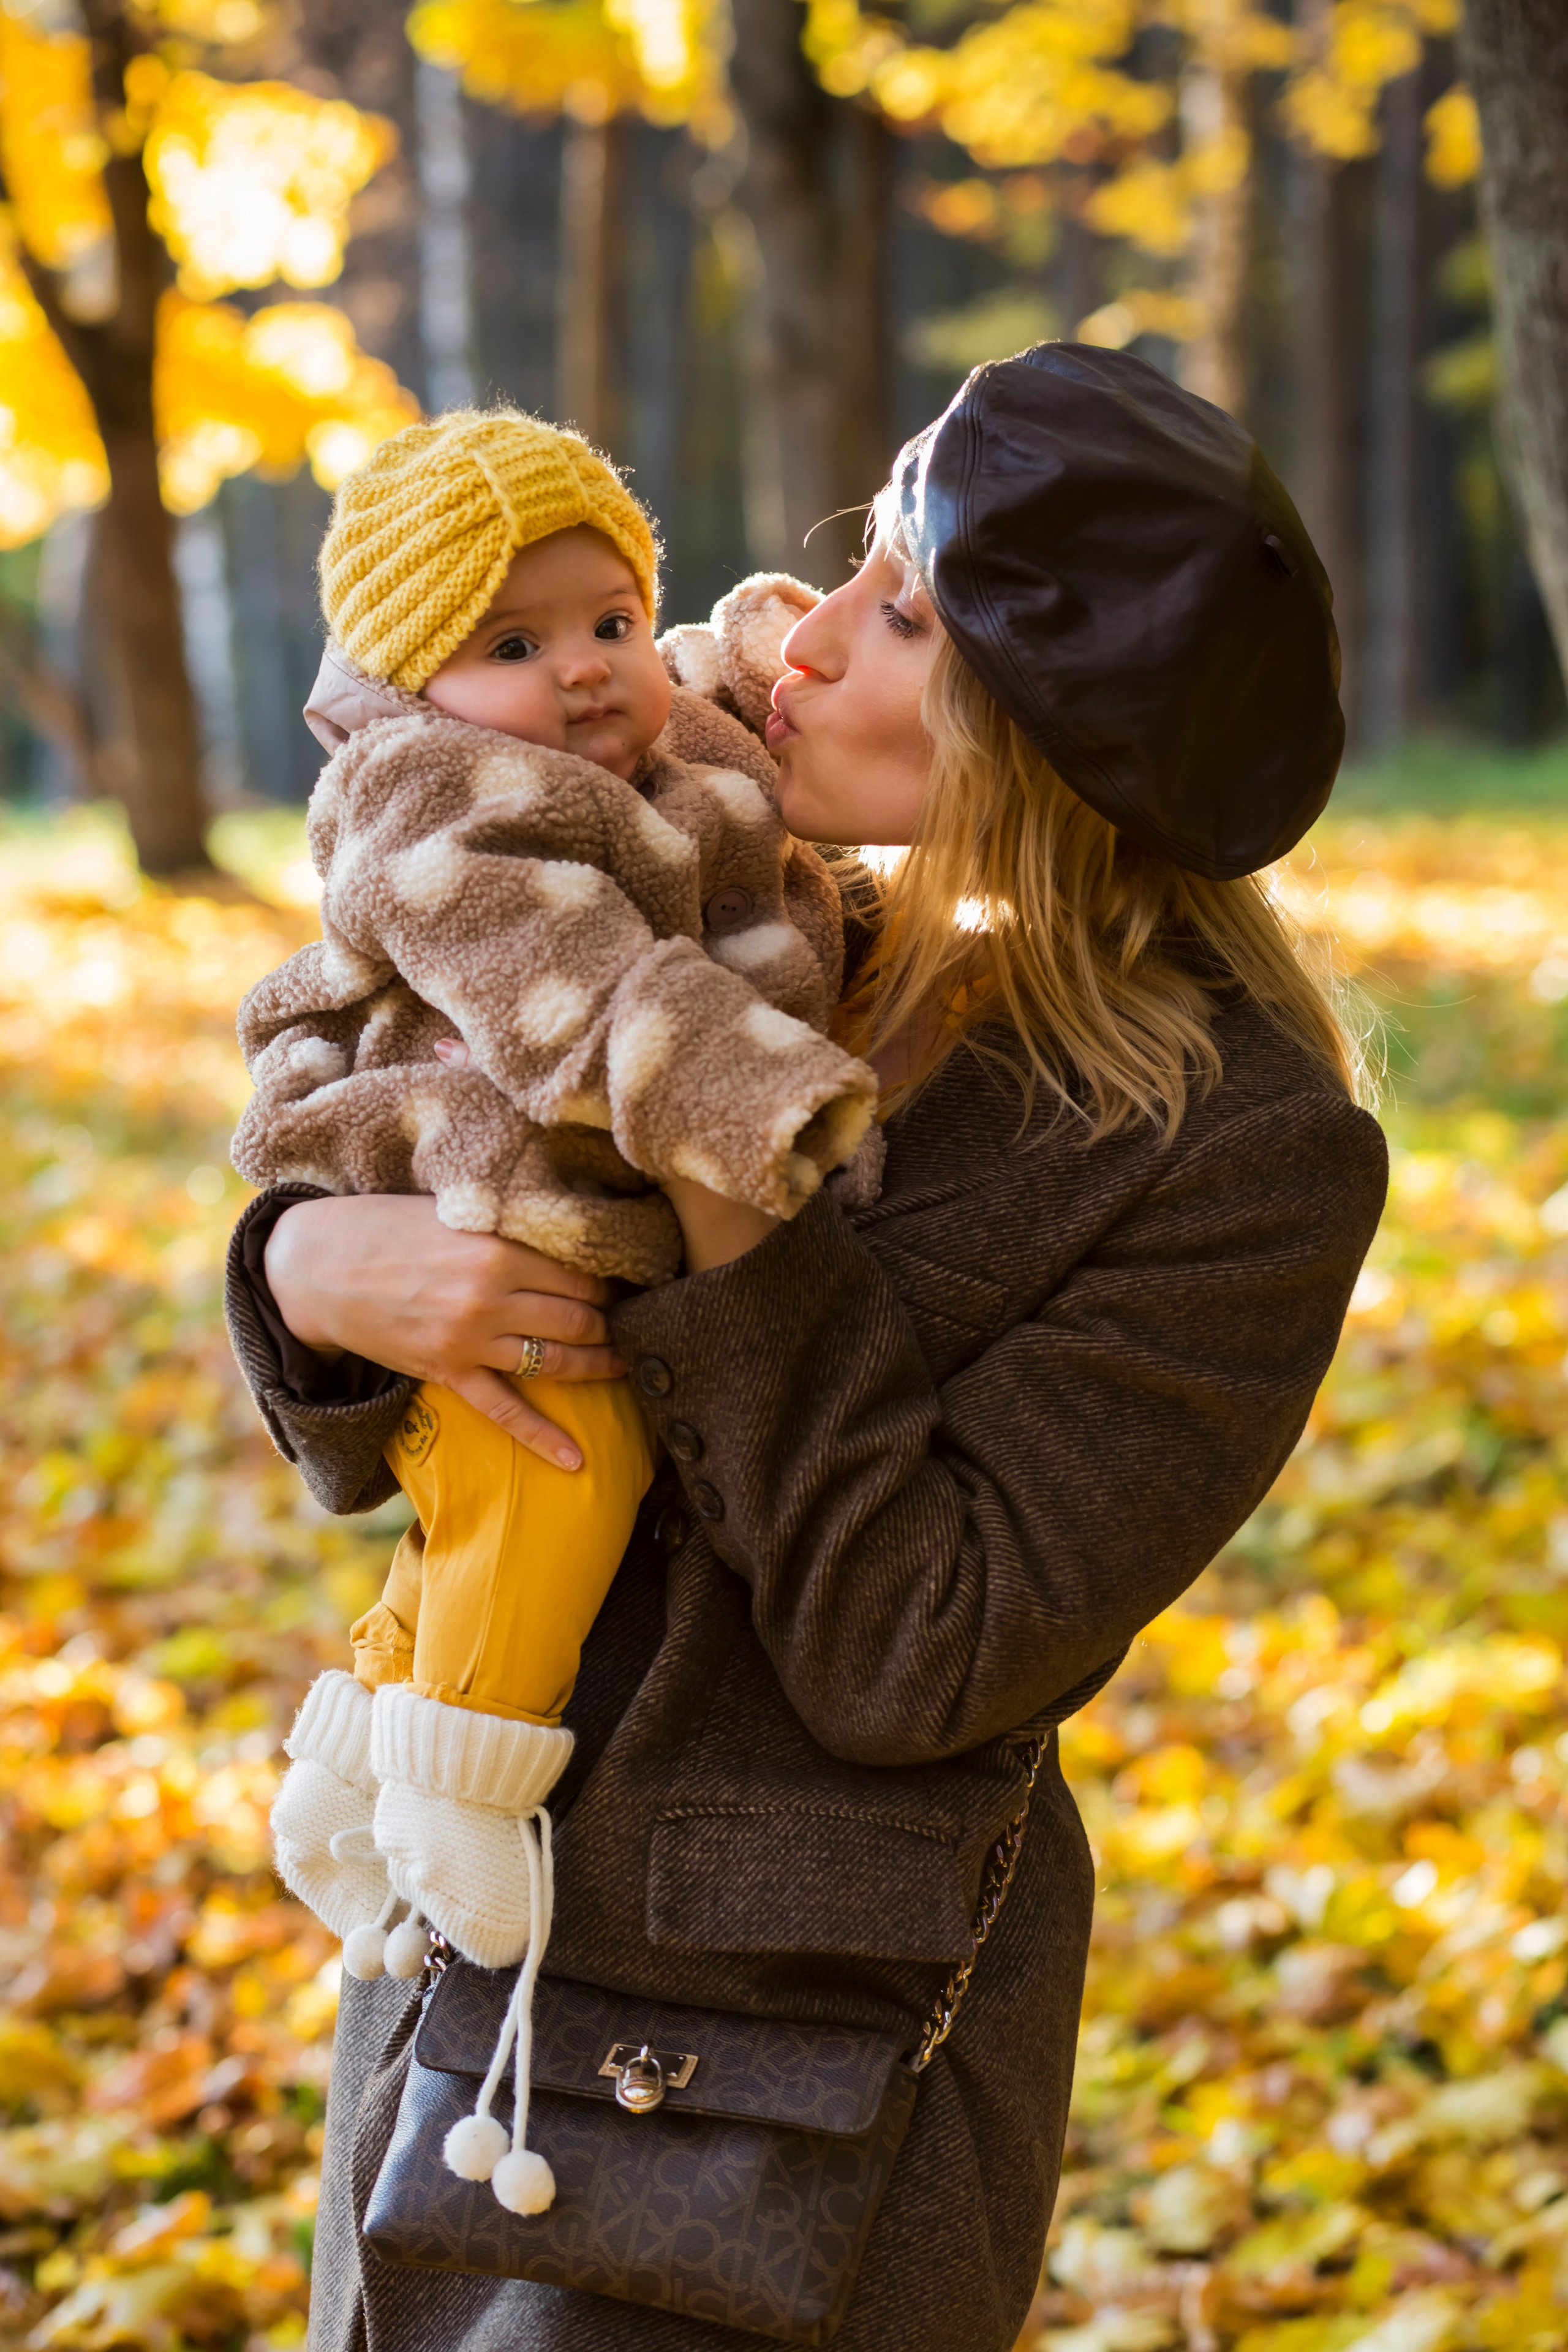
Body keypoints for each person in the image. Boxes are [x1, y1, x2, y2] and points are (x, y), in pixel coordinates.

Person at [226, 344, 1388, 2352]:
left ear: (1067, 721)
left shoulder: (1248, 1148)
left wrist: (728, 1162)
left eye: (909, 614)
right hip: (465, 1969)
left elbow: (916, 1646)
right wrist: (309, 1277)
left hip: (789, 2075)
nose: (812, 637)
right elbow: (419, 1108)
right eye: (857, 565)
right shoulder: (765, 907)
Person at [233, 412, 873, 2095]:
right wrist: (756, 1098)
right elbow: (578, 995)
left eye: (606, 618)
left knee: (481, 1523)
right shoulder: (438, 800)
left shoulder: (653, 756)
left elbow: (729, 669)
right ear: (412, 677)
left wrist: (748, 640)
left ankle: (362, 1733)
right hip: (506, 1198)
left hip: (585, 1215)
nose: (588, 672)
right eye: (512, 646)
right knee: (557, 1474)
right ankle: (457, 1788)